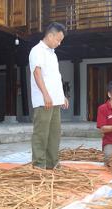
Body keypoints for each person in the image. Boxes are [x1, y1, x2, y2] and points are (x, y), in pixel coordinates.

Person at [29, 22, 69, 169]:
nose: (59, 43)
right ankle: (39, 166)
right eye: (58, 40)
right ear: (50, 35)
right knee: (41, 134)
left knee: (54, 134)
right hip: (43, 101)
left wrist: (62, 96)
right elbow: (37, 73)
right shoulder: (37, 50)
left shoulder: (53, 54)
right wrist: (45, 95)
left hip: (55, 101)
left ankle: (52, 164)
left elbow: (56, 78)